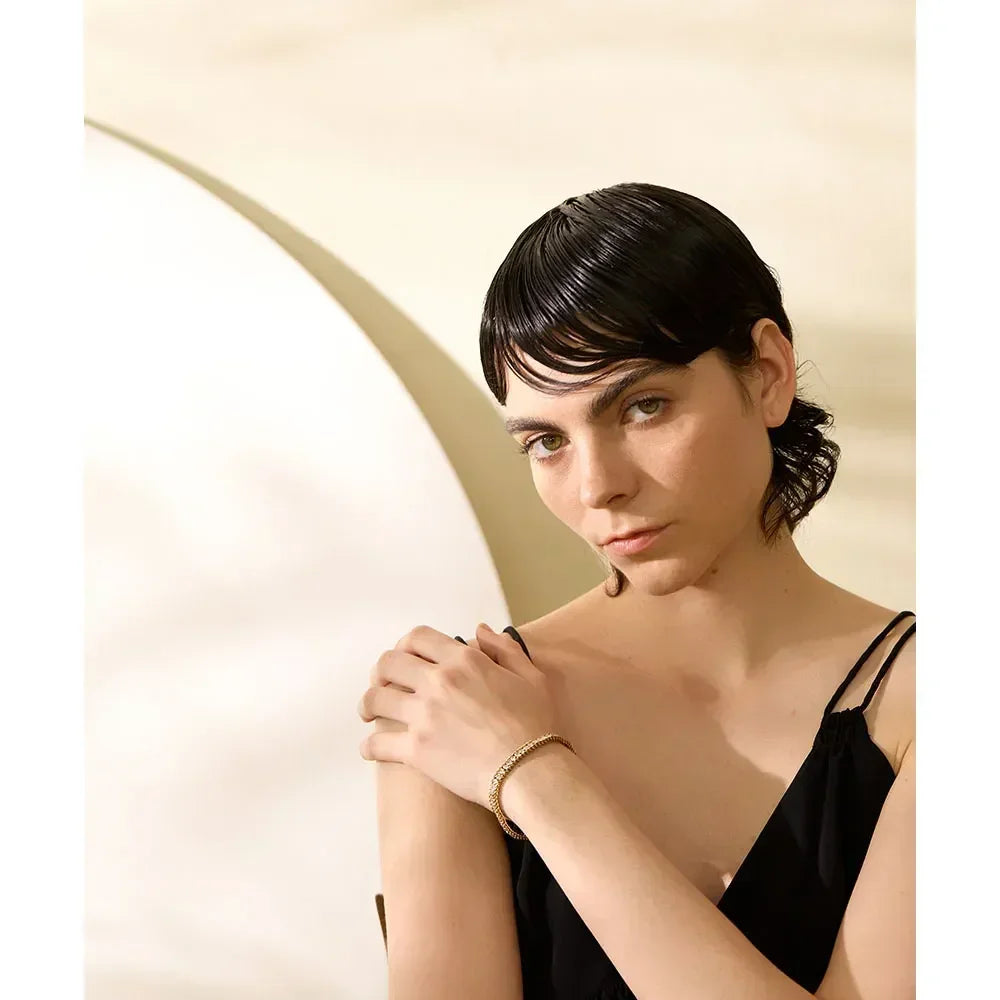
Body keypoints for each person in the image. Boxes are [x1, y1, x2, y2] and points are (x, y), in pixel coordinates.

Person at [364, 183, 915, 999]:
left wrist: (534, 776)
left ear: (768, 374)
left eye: (643, 406)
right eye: (546, 441)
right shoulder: (457, 707)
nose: (598, 486)